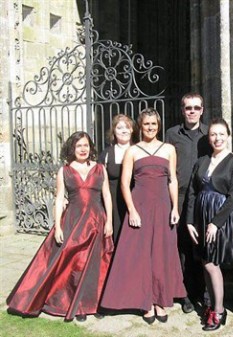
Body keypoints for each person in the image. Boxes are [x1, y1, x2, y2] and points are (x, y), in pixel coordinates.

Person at [7, 131, 114, 322]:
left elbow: (106, 196)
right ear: (72, 148)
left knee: (97, 264)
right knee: (76, 263)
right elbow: (58, 199)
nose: (83, 149)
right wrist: (57, 226)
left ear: (91, 148)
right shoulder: (64, 171)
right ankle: (79, 305)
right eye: (79, 145)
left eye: (86, 145)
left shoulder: (100, 169)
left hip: (97, 220)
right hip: (73, 221)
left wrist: (110, 222)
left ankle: (95, 303)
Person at [100, 108, 186, 324]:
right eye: (146, 124)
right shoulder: (133, 151)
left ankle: (159, 300)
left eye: (154, 124)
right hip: (140, 206)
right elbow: (124, 183)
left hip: (163, 206)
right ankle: (145, 303)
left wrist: (175, 208)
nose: (150, 127)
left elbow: (172, 180)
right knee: (139, 255)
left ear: (159, 125)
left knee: (161, 253)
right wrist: (132, 210)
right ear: (141, 126)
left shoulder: (169, 149)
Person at [186, 117, 233, 331]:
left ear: (228, 136)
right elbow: (193, 192)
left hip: (219, 217)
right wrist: (190, 221)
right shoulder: (201, 161)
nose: (217, 138)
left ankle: (219, 310)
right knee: (204, 261)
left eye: (221, 134)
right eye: (213, 134)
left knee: (212, 263)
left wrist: (215, 223)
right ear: (208, 138)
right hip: (200, 216)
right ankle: (211, 305)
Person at [166, 92, 212, 313]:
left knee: (203, 246)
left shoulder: (209, 135)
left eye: (196, 107)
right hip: (181, 197)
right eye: (188, 108)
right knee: (183, 247)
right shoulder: (172, 134)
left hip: (205, 197)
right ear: (182, 110)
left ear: (202, 110)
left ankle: (206, 294)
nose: (192, 111)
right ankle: (186, 295)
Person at [99, 114, 138, 244]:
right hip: (113, 204)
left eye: (127, 127)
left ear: (132, 129)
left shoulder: (139, 151)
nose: (124, 130)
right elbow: (97, 180)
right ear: (113, 131)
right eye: (119, 127)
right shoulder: (106, 154)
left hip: (135, 202)